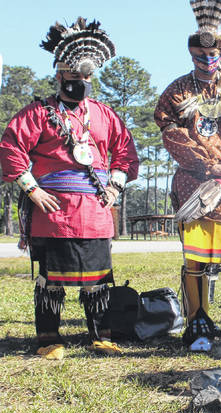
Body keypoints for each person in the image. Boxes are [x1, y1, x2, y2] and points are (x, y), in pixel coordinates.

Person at [0, 18, 139, 359]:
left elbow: (126, 153)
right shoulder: (38, 114)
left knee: (99, 278)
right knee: (52, 279)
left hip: (95, 212)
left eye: (87, 78)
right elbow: (10, 148)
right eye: (75, 77)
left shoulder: (105, 116)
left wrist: (115, 186)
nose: (82, 83)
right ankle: (49, 337)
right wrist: (32, 189)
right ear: (60, 74)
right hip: (54, 211)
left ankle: (101, 334)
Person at [154, 0, 221, 351]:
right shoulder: (177, 91)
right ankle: (198, 322)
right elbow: (170, 132)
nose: (206, 60)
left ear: (220, 51)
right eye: (199, 54)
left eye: (212, 54)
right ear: (191, 53)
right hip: (194, 189)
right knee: (195, 261)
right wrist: (208, 165)